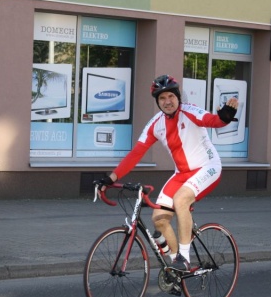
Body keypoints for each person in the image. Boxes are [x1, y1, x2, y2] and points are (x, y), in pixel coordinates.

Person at [98, 74, 238, 271]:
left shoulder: (190, 112)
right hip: (181, 174)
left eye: (171, 96)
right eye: (162, 98)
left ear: (178, 97)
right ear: (158, 102)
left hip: (207, 167)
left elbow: (212, 121)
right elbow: (136, 153)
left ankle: (184, 258)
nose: (167, 101)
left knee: (181, 200)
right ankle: (175, 267)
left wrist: (224, 118)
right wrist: (111, 178)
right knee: (159, 219)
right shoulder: (156, 124)